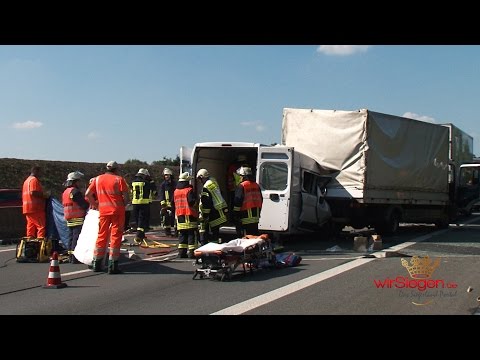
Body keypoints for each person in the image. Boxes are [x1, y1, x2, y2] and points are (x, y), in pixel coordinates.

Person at [85, 161, 129, 274]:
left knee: (101, 236)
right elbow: (126, 197)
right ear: (116, 169)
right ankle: (113, 265)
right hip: (117, 211)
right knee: (115, 237)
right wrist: (123, 205)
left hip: (103, 212)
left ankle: (96, 263)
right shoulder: (119, 179)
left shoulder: (98, 179)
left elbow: (88, 194)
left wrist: (96, 205)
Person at [62, 171, 89, 263]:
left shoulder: (66, 191)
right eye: (79, 181)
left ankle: (70, 256)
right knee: (76, 238)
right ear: (75, 181)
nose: (80, 183)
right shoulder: (75, 192)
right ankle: (75, 257)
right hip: (77, 217)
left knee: (71, 237)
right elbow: (83, 204)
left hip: (69, 217)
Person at [196, 168, 228, 244]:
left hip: (214, 212)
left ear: (202, 177)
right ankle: (215, 248)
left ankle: (211, 249)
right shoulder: (213, 182)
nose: (200, 182)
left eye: (200, 179)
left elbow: (206, 203)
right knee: (215, 233)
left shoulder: (206, 187)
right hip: (219, 211)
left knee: (212, 233)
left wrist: (204, 216)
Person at [233, 166, 263, 237]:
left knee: (246, 238)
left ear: (243, 176)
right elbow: (261, 199)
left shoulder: (242, 186)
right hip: (256, 216)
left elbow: (238, 201)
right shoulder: (256, 185)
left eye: (240, 176)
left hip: (245, 216)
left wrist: (236, 214)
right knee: (254, 236)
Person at [173, 172, 198, 258]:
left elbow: (173, 203)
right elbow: (191, 202)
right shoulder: (188, 190)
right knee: (191, 234)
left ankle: (182, 253)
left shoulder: (176, 191)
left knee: (182, 234)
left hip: (179, 215)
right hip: (189, 214)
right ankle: (191, 253)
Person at [22, 165, 49, 239]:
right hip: (36, 208)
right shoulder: (34, 180)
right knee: (41, 227)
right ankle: (40, 245)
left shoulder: (26, 181)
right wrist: (44, 195)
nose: (41, 174)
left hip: (27, 209)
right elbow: (33, 192)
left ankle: (29, 245)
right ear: (36, 171)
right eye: (40, 172)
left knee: (31, 228)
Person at [131, 168, 157, 244]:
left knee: (137, 219)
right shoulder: (146, 183)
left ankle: (141, 235)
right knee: (142, 219)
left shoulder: (133, 182)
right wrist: (152, 182)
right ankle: (139, 235)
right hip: (144, 203)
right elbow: (154, 192)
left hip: (135, 203)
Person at [159, 167, 176, 236]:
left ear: (170, 175)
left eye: (168, 175)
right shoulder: (163, 185)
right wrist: (163, 204)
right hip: (166, 205)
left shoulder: (175, 184)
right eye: (165, 175)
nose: (166, 176)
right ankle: (167, 231)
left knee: (174, 218)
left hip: (174, 204)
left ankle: (176, 231)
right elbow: (161, 194)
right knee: (166, 218)